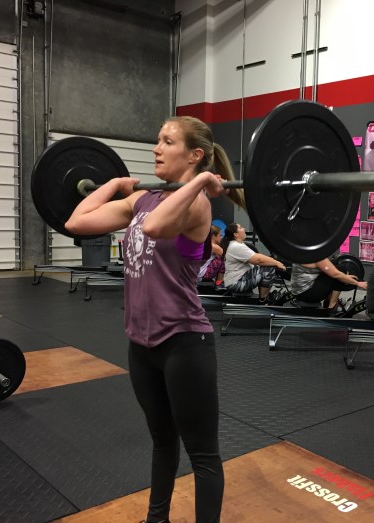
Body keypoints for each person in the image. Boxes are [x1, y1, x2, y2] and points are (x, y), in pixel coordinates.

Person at [65, 115, 245, 523]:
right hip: (142, 347)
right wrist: (114, 184)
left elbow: (157, 226)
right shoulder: (144, 198)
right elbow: (77, 221)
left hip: (184, 343)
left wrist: (199, 183)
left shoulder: (197, 203)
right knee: (162, 441)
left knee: (202, 454)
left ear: (194, 155)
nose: (156, 148)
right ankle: (155, 520)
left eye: (167, 141)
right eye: (157, 140)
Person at [222, 223, 286, 301]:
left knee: (263, 266)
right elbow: (258, 260)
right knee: (269, 270)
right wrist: (276, 263)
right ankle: (263, 300)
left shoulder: (238, 244)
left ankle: (264, 296)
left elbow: (257, 257)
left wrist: (273, 261)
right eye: (241, 227)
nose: (244, 229)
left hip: (236, 281)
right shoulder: (236, 246)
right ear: (236, 234)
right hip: (236, 284)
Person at [290, 258, 368, 315]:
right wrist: (358, 283)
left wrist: (345, 277)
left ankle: (328, 302)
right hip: (307, 294)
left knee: (334, 266)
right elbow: (336, 274)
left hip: (297, 292)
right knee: (340, 271)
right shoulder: (317, 256)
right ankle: (332, 307)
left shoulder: (302, 252)